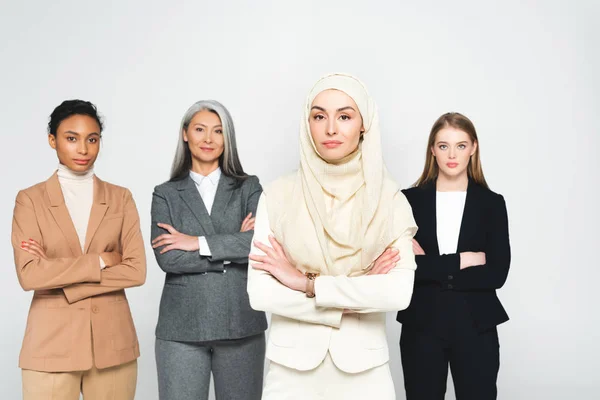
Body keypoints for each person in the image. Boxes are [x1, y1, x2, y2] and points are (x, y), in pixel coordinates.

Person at [247, 73, 417, 399]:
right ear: (307, 122)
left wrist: (305, 282)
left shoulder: (390, 199)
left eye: (344, 116)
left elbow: (397, 294)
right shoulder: (278, 195)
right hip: (290, 370)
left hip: (365, 371)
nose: (331, 129)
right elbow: (261, 294)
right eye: (319, 116)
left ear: (364, 124)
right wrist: (358, 290)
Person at [12, 99, 146, 400]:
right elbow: (30, 276)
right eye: (71, 139)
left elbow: (136, 271)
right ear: (52, 140)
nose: (83, 149)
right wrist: (102, 260)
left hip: (113, 346)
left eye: (92, 139)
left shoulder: (121, 198)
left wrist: (61, 276)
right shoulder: (29, 200)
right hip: (50, 346)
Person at [151, 100, 267, 400]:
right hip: (181, 328)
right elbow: (168, 258)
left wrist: (196, 242)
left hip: (240, 321)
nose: (209, 139)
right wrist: (231, 248)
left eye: (218, 131)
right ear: (185, 134)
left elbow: (259, 244)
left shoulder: (249, 187)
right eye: (200, 129)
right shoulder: (165, 194)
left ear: (227, 138)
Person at [397, 112, 511, 400]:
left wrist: (431, 267)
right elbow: (402, 268)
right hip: (422, 326)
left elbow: (497, 274)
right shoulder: (407, 201)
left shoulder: (492, 204)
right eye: (443, 145)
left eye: (460, 145)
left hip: (476, 325)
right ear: (432, 150)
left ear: (473, 148)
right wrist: (463, 260)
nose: (452, 154)